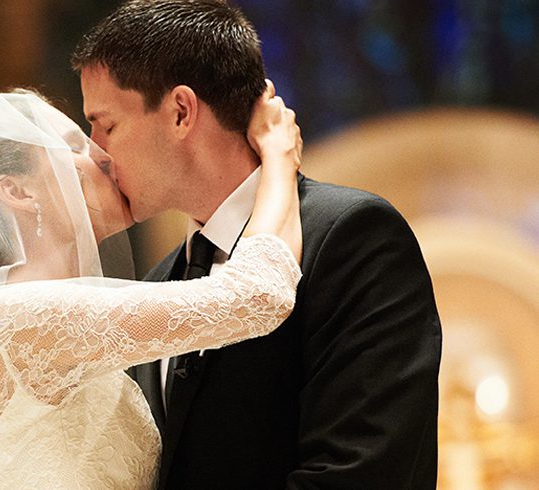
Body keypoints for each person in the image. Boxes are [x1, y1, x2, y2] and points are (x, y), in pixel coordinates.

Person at [0, 86, 302, 488]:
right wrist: (278, 159)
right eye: (74, 146)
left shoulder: (38, 313)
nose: (102, 155)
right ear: (18, 193)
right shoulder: (19, 319)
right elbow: (258, 297)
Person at [72, 1, 443, 488]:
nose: (95, 152)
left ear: (181, 112)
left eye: (107, 126)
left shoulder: (353, 237)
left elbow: (365, 471)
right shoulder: (160, 281)